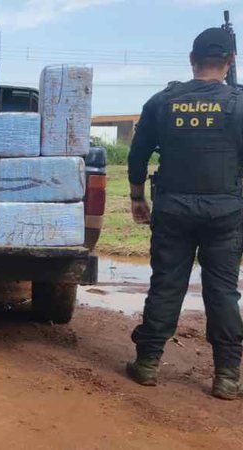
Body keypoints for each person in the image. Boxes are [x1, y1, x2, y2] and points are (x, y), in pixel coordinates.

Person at [126, 27, 243, 400]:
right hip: (225, 212)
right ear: (231, 60)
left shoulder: (163, 101)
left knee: (166, 284)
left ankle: (147, 364)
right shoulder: (239, 103)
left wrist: (137, 197)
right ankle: (227, 376)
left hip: (173, 209)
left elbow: (138, 153)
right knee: (223, 291)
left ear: (192, 59)